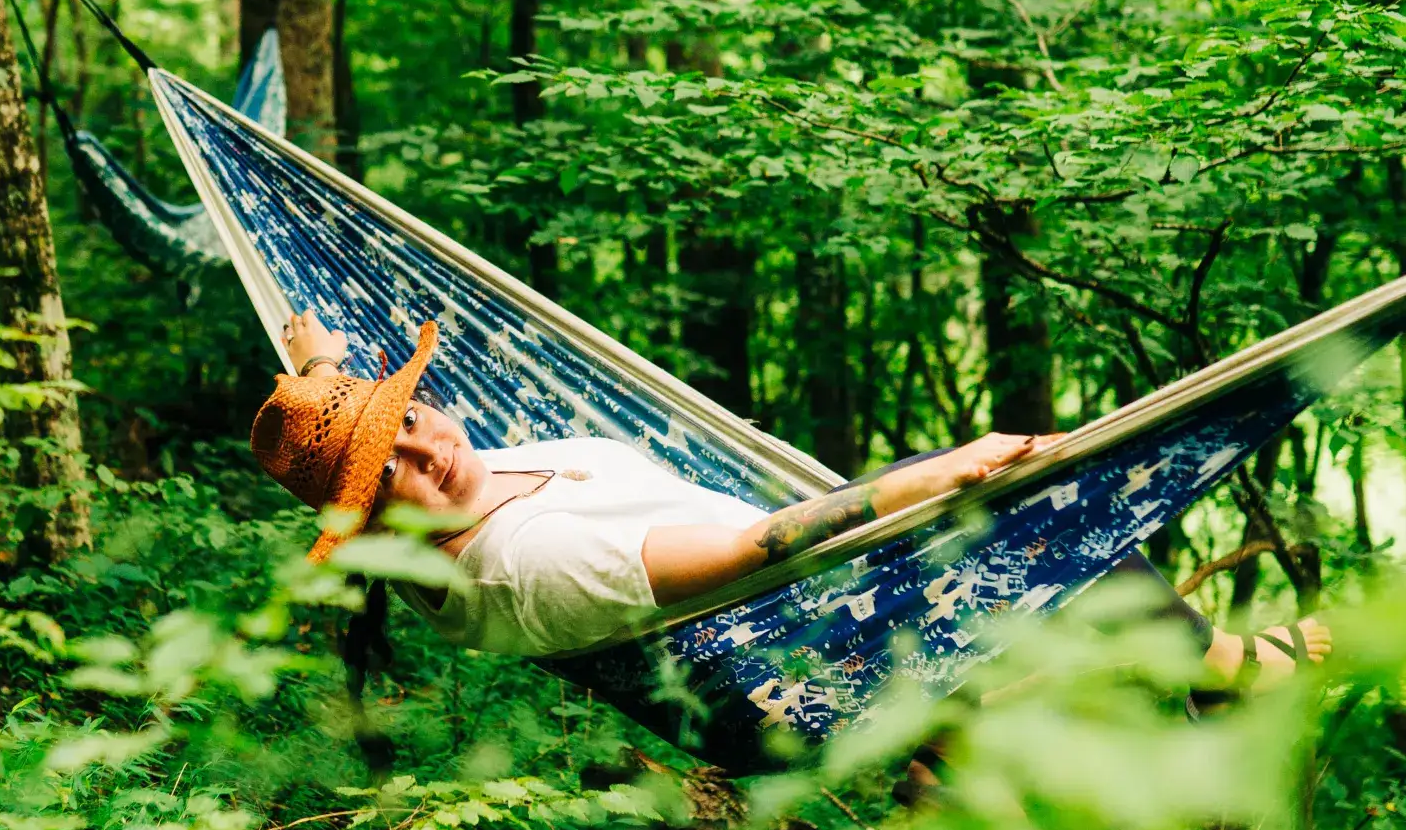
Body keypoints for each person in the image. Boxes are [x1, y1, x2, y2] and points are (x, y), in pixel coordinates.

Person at [251, 312, 1329, 698]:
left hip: (772, 612)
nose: (416, 457)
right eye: (375, 476)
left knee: (1034, 572)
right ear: (370, 522)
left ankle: (1192, 740)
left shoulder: (465, 488)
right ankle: (1239, 675)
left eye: (406, 425)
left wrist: (317, 362)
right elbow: (758, 549)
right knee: (1040, 517)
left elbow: (365, 431)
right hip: (794, 640)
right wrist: (937, 472)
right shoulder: (536, 562)